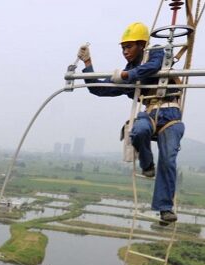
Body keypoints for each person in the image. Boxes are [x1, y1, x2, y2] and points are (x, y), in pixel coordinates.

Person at [79, 22, 185, 225]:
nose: (125, 52)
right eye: (123, 48)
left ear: (141, 45)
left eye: (129, 47)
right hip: (149, 111)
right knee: (138, 131)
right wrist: (87, 63)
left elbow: (152, 67)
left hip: (171, 114)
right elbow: (99, 89)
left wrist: (127, 75)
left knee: (169, 158)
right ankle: (147, 165)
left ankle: (165, 208)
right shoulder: (130, 74)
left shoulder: (155, 53)